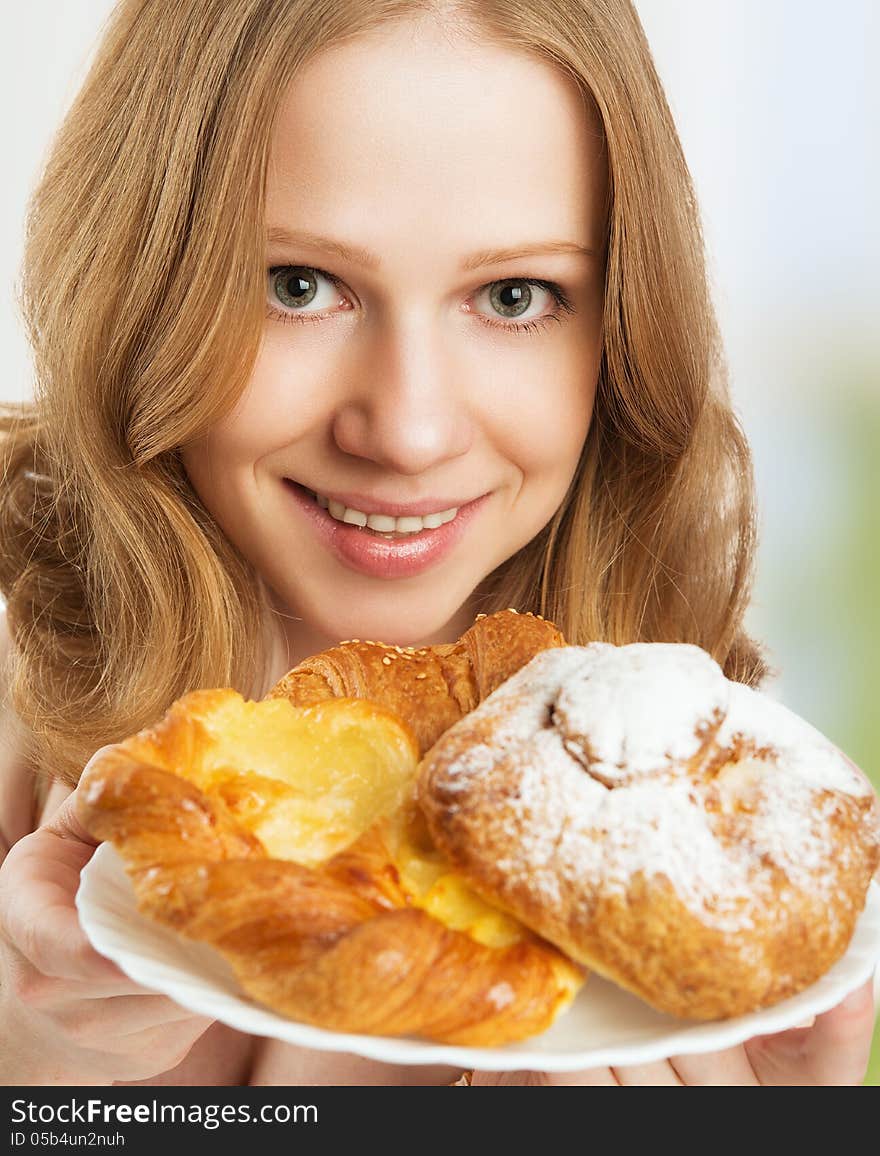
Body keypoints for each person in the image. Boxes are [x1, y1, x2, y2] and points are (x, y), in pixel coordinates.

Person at [0, 0, 874, 1087]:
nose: (408, 430)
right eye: (296, 286)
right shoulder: (25, 763)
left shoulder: (717, 849)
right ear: (143, 290)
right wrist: (35, 1080)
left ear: (621, 335)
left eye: (514, 296)